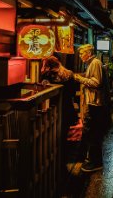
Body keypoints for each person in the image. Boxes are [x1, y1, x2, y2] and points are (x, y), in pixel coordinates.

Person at [47, 44, 107, 173]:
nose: (80, 56)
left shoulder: (95, 63)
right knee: (90, 132)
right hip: (92, 102)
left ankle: (95, 162)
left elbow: (96, 82)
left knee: (92, 133)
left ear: (89, 53)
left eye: (82, 53)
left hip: (94, 103)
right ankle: (91, 159)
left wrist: (77, 77)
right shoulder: (92, 63)